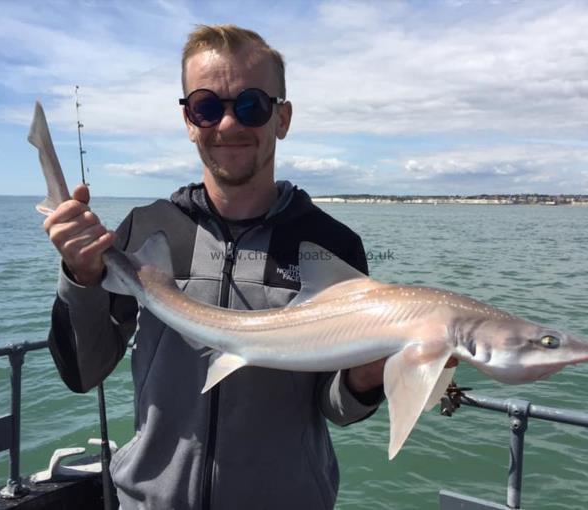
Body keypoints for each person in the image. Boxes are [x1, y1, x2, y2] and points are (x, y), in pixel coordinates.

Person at [44, 24, 388, 509]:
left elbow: (336, 407)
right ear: (188, 120)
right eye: (206, 106)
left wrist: (367, 376)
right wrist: (80, 279)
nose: (228, 125)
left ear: (282, 118)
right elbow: (83, 373)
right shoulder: (145, 231)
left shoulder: (330, 247)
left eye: (251, 105)